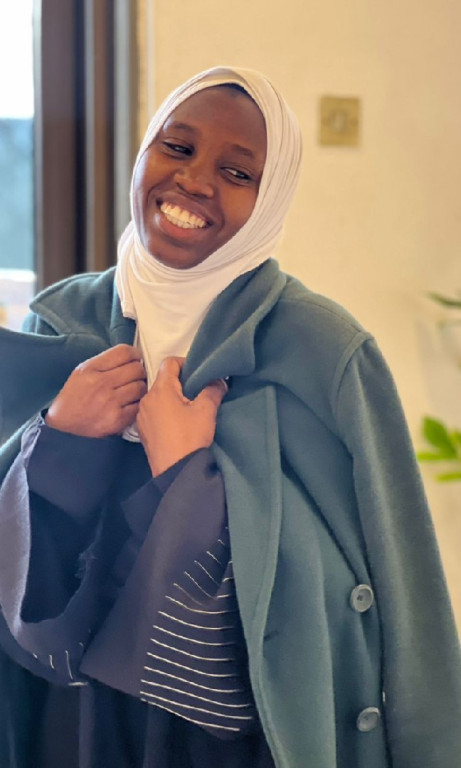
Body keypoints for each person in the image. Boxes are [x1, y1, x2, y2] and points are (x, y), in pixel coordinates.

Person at [0, 66, 460, 768]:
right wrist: (58, 437)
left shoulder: (321, 350)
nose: (193, 181)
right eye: (177, 147)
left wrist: (190, 476)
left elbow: (400, 584)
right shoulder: (64, 320)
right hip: (76, 723)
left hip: (240, 736)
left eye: (238, 172)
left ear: (271, 200)